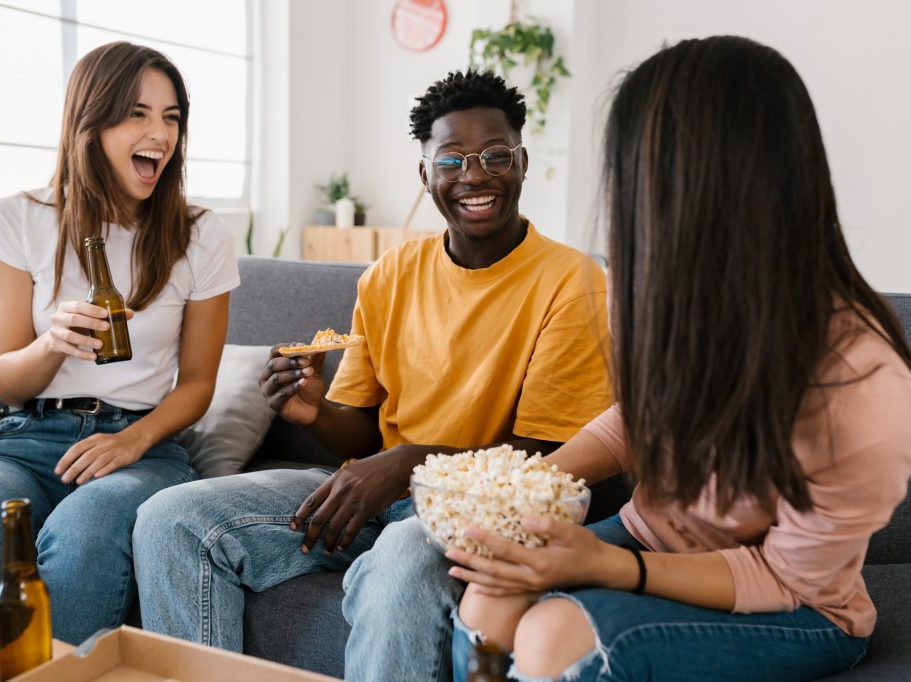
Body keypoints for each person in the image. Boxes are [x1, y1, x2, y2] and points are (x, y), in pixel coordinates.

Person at [447, 36, 911, 682]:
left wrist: (607, 565)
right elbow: (642, 418)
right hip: (657, 535)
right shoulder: (666, 295)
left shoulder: (864, 385)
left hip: (799, 604)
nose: (621, 210)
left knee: (551, 637)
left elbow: (787, 576)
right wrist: (527, 490)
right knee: (490, 591)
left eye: (636, 187)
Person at [133, 70, 615, 681]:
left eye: (496, 155)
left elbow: (551, 456)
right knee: (170, 518)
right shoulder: (388, 276)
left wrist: (408, 464)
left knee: (400, 559)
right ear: (425, 174)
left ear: (521, 163)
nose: (475, 175)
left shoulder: (572, 282)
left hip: (478, 517)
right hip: (378, 497)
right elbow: (360, 436)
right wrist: (312, 411)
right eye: (452, 159)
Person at [0, 41, 239, 645]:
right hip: (27, 441)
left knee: (87, 534)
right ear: (90, 121)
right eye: (138, 113)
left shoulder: (200, 235)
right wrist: (52, 343)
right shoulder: (16, 219)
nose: (160, 134)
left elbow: (196, 383)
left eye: (171, 117)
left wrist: (132, 440)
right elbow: (6, 380)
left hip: (142, 446)